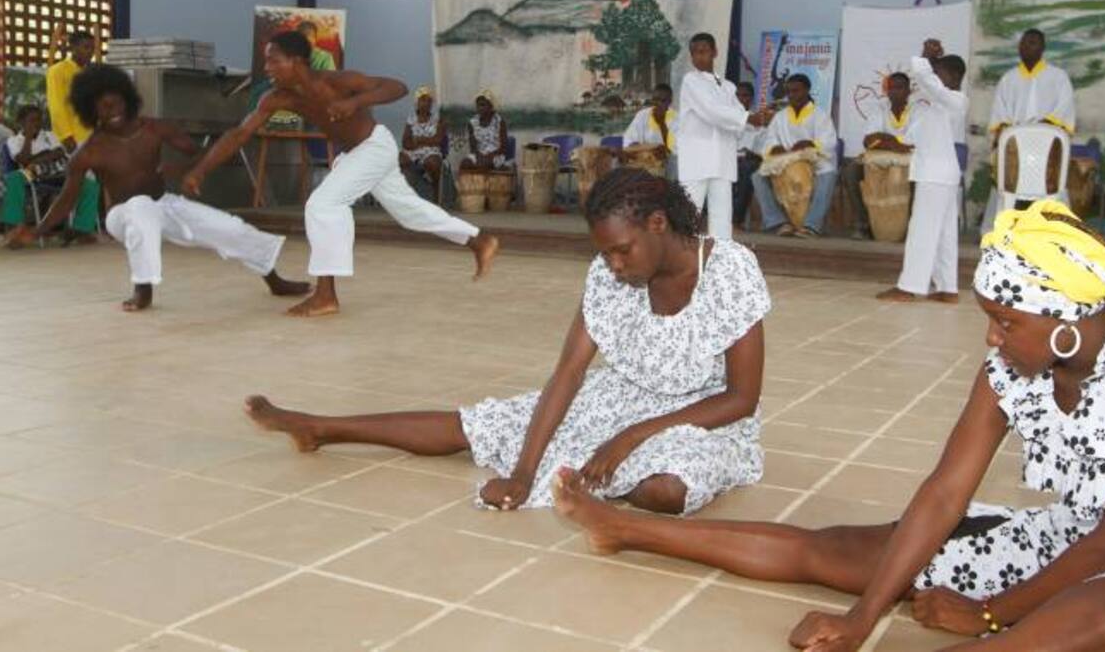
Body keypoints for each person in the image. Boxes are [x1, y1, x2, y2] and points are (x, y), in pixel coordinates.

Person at [555, 199, 1105, 652]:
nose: (991, 336)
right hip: (1073, 537)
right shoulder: (1011, 366)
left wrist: (991, 614)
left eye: (1006, 321)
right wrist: (861, 619)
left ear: (1064, 323)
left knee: (1094, 623)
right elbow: (946, 492)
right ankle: (627, 529)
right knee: (839, 551)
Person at [245, 168, 770, 515]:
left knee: (666, 490)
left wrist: (630, 437)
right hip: (620, 398)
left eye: (622, 251)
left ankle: (603, 478)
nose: (613, 264)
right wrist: (524, 471)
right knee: (485, 424)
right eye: (606, 252)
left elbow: (741, 398)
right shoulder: (608, 275)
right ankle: (322, 428)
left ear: (659, 224)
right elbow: (569, 373)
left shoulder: (729, 270)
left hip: (706, 417)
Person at [181, 32, 499, 318]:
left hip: (374, 146)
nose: (267, 68)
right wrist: (201, 169)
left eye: (273, 61)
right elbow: (239, 134)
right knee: (410, 213)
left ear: (297, 62)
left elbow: (396, 87)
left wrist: (355, 102)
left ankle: (326, 295)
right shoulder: (277, 98)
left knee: (323, 205)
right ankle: (479, 240)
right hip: (358, 155)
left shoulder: (338, 81)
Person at [6, 65, 310, 312]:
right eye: (102, 106)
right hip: (122, 216)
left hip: (163, 204)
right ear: (91, 111)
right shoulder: (90, 150)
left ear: (128, 98)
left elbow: (196, 152)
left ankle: (274, 278)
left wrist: (182, 169)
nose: (112, 110)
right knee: (140, 208)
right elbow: (67, 198)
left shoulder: (154, 128)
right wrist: (39, 230)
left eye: (116, 101)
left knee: (228, 227)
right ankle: (143, 287)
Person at [877, 40, 968, 304]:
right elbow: (912, 132)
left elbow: (928, 83)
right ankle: (947, 287)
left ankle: (910, 286)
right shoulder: (934, 103)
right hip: (936, 172)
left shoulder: (956, 101)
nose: (933, 79)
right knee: (943, 233)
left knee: (922, 230)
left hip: (937, 175)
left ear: (953, 77)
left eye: (939, 73)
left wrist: (924, 59)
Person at [676, 33, 772, 239]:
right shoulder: (691, 81)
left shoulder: (728, 87)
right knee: (689, 213)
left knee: (722, 216)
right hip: (697, 159)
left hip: (722, 159)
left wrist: (760, 119)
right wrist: (748, 118)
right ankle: (683, 259)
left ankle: (721, 256)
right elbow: (712, 111)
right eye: (695, 53)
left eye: (704, 51)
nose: (699, 57)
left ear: (715, 52)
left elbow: (738, 119)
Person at [983, 28, 1076, 230]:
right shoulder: (1009, 79)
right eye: (1024, 43)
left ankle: (1057, 232)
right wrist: (1014, 136)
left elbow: (1063, 112)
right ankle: (1001, 232)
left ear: (1042, 48)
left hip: (1047, 150)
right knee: (1007, 192)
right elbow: (1000, 116)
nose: (1026, 47)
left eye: (1032, 43)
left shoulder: (1058, 78)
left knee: (1051, 194)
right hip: (1015, 150)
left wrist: (1039, 132)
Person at [751, 73, 838, 238]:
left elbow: (829, 142)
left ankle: (812, 225)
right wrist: (774, 148)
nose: (792, 95)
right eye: (789, 92)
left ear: (807, 90)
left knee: (828, 175)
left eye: (796, 91)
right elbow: (769, 140)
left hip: (815, 163)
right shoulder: (780, 116)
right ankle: (778, 222)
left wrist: (811, 145)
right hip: (785, 162)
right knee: (757, 177)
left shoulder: (820, 115)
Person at [1, 104, 100, 243]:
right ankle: (14, 229)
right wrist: (29, 138)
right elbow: (23, 160)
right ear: (21, 122)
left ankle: (83, 230)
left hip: (56, 172)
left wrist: (35, 159)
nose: (37, 123)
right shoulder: (13, 141)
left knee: (89, 184)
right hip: (32, 175)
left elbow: (59, 153)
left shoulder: (48, 135)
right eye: (33, 120)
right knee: (14, 178)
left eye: (39, 120)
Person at [843, 73, 915, 241]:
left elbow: (915, 144)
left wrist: (884, 139)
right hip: (879, 161)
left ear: (908, 91)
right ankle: (863, 224)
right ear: (887, 91)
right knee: (851, 172)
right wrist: (894, 142)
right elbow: (868, 140)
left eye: (900, 87)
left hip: (911, 163)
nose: (895, 92)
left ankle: (911, 226)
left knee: (921, 179)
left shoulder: (918, 111)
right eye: (891, 88)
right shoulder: (879, 109)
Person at [45, 29, 96, 153]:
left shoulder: (90, 73)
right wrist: (66, 136)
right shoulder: (57, 71)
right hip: (73, 139)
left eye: (92, 48)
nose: (90, 52)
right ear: (73, 47)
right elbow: (56, 106)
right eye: (86, 47)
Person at [399, 85, 446, 200]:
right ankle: (403, 195)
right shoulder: (411, 119)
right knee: (399, 159)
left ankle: (435, 193)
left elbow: (438, 140)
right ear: (417, 102)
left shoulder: (438, 119)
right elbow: (405, 142)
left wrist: (419, 140)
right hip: (414, 151)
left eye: (429, 101)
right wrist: (422, 142)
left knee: (433, 163)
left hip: (431, 151)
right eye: (423, 100)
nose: (426, 103)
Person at [623, 83, 678, 180]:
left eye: (663, 101)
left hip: (666, 167)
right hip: (641, 163)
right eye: (655, 99)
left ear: (669, 102)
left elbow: (672, 151)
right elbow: (629, 140)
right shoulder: (642, 115)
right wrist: (638, 148)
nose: (658, 103)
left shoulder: (676, 119)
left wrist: (661, 124)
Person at [733, 81, 766, 231]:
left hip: (751, 160)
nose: (740, 99)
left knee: (747, 170)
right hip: (729, 159)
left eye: (745, 95)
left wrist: (754, 154)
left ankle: (736, 220)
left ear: (751, 98)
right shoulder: (728, 119)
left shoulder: (758, 119)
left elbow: (764, 148)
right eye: (737, 95)